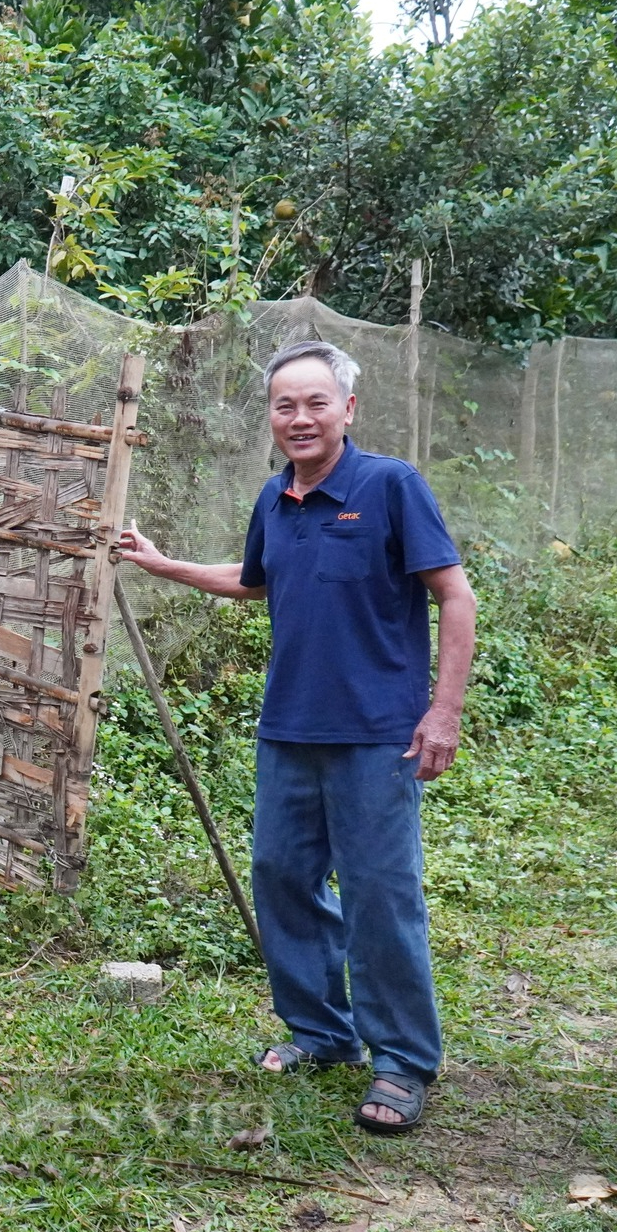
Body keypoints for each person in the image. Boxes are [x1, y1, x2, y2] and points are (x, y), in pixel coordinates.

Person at [116, 339, 477, 1136]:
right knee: (282, 877)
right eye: (286, 405)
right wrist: (160, 563)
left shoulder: (388, 486)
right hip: (288, 729)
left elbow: (455, 597)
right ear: (271, 417)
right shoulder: (274, 499)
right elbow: (252, 584)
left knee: (381, 897)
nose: (301, 418)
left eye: (317, 402)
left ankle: (403, 1061)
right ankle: (322, 1033)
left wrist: (441, 712)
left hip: (378, 735)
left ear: (348, 408)